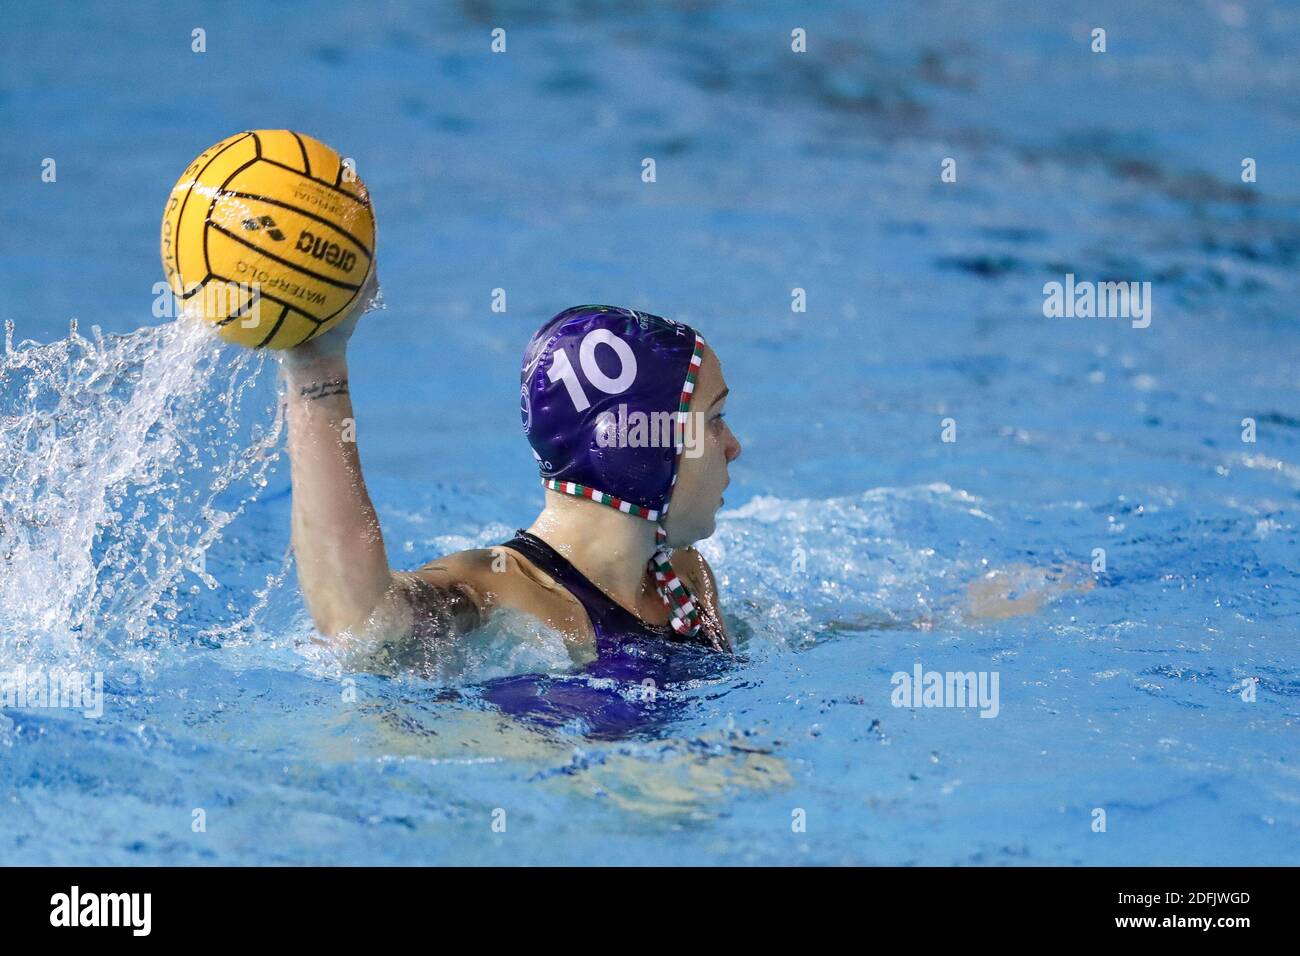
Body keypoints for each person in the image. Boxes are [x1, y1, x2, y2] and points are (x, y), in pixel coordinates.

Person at [279, 272, 741, 677]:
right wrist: (317, 370)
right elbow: (363, 626)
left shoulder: (685, 579)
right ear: (640, 448)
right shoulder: (500, 595)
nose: (733, 447)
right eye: (715, 419)